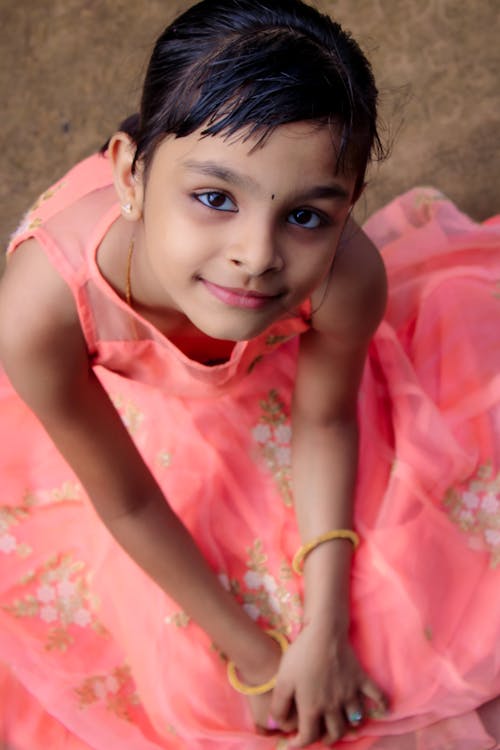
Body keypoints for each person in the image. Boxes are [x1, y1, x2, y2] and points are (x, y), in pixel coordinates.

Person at [0, 0, 499, 747]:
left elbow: (327, 416)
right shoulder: (38, 313)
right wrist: (258, 658)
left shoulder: (344, 274)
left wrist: (326, 629)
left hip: (275, 382)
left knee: (411, 600)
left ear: (348, 208)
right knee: (188, 677)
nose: (257, 255)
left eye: (306, 216)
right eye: (213, 199)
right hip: (119, 438)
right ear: (129, 176)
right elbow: (131, 502)